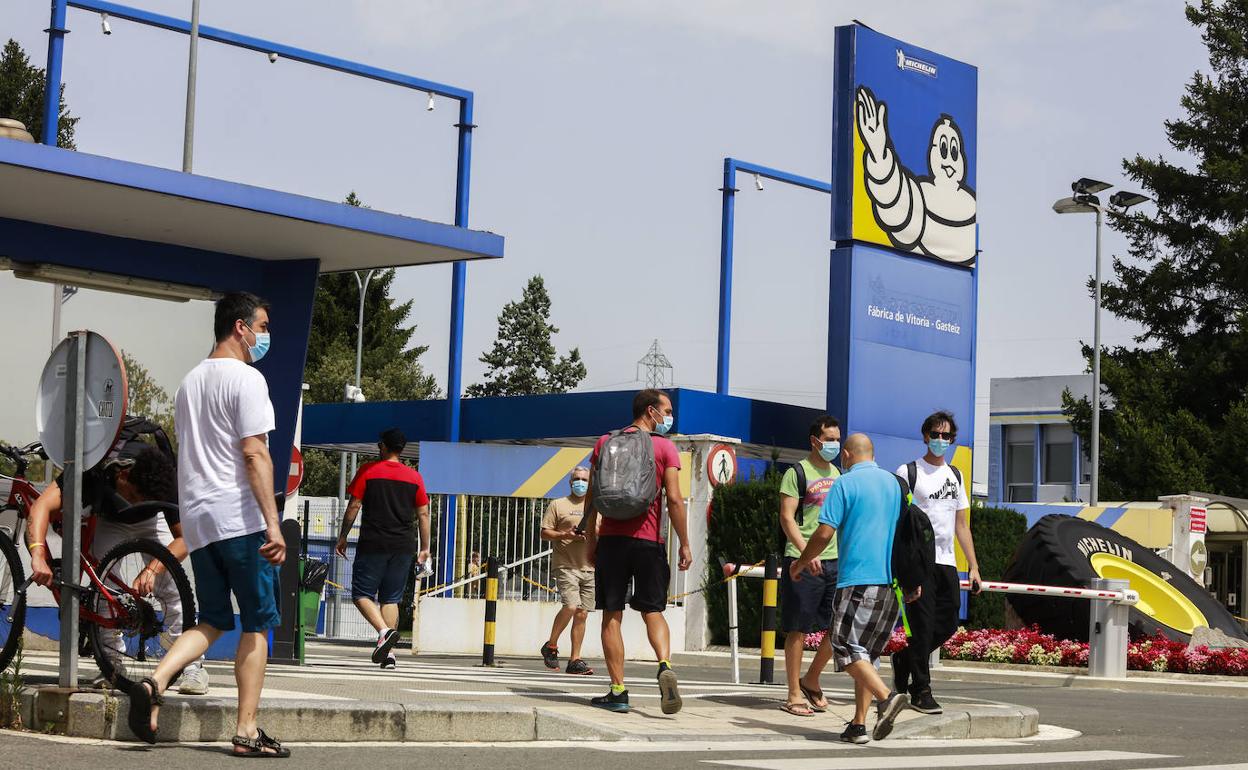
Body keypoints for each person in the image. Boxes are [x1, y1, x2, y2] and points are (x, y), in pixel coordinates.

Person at [126, 291, 290, 757]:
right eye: (261, 326)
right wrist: (273, 525)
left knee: (214, 619)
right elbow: (255, 452)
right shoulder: (248, 379)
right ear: (240, 327)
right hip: (239, 518)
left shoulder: (188, 382)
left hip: (198, 522)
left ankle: (155, 681)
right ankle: (246, 731)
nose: (264, 336)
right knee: (257, 624)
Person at [25, 426, 210, 694]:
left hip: (152, 519)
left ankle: (192, 667)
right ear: (122, 476)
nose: (136, 502)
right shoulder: (94, 471)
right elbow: (41, 506)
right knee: (103, 588)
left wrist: (153, 568)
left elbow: (185, 538)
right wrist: (39, 555)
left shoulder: (164, 480)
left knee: (170, 587)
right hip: (110, 520)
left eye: (144, 499)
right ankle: (111, 665)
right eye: (134, 497)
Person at [791, 433, 909, 744]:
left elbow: (824, 533)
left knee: (843, 644)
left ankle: (886, 697)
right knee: (866, 653)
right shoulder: (895, 485)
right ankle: (858, 725)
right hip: (890, 583)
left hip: (857, 579)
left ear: (845, 454)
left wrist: (802, 561)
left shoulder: (844, 483)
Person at [583, 389, 692, 715]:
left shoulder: (605, 442)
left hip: (613, 541)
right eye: (667, 410)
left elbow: (591, 497)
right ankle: (663, 664)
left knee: (611, 615)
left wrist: (591, 540)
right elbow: (673, 499)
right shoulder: (664, 447)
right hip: (650, 543)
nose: (670, 417)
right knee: (652, 610)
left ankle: (618, 691)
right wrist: (685, 542)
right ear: (651, 411)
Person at [891, 410, 980, 715]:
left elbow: (962, 525)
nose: (941, 440)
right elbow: (898, 521)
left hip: (947, 562)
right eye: (936, 434)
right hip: (919, 562)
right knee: (921, 626)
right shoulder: (908, 472)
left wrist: (975, 566)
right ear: (925, 435)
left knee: (949, 622)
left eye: (947, 436)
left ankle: (904, 660)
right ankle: (921, 690)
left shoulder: (955, 475)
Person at [336, 428, 431, 671]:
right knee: (391, 598)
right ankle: (389, 655)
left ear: (385, 447)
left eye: (380, 445)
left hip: (373, 543)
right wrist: (425, 548)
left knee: (361, 593)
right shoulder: (415, 478)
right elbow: (423, 514)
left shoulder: (368, 471)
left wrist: (343, 536)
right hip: (403, 545)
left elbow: (354, 506)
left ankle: (384, 631)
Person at [777, 415, 841, 717]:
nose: (834, 444)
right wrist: (805, 553)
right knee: (798, 628)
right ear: (814, 441)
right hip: (801, 560)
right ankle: (793, 693)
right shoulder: (796, 473)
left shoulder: (839, 474)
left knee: (836, 628)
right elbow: (787, 518)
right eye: (829, 439)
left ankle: (811, 679)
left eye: (837, 439)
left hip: (834, 561)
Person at [539, 466, 595, 676]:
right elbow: (544, 533)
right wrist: (565, 534)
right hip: (566, 565)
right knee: (571, 606)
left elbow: (603, 530)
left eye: (584, 479)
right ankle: (551, 646)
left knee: (582, 614)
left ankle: (575, 660)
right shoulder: (558, 505)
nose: (580, 482)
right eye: (576, 479)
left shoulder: (596, 506)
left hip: (590, 566)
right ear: (570, 482)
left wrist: (590, 533)